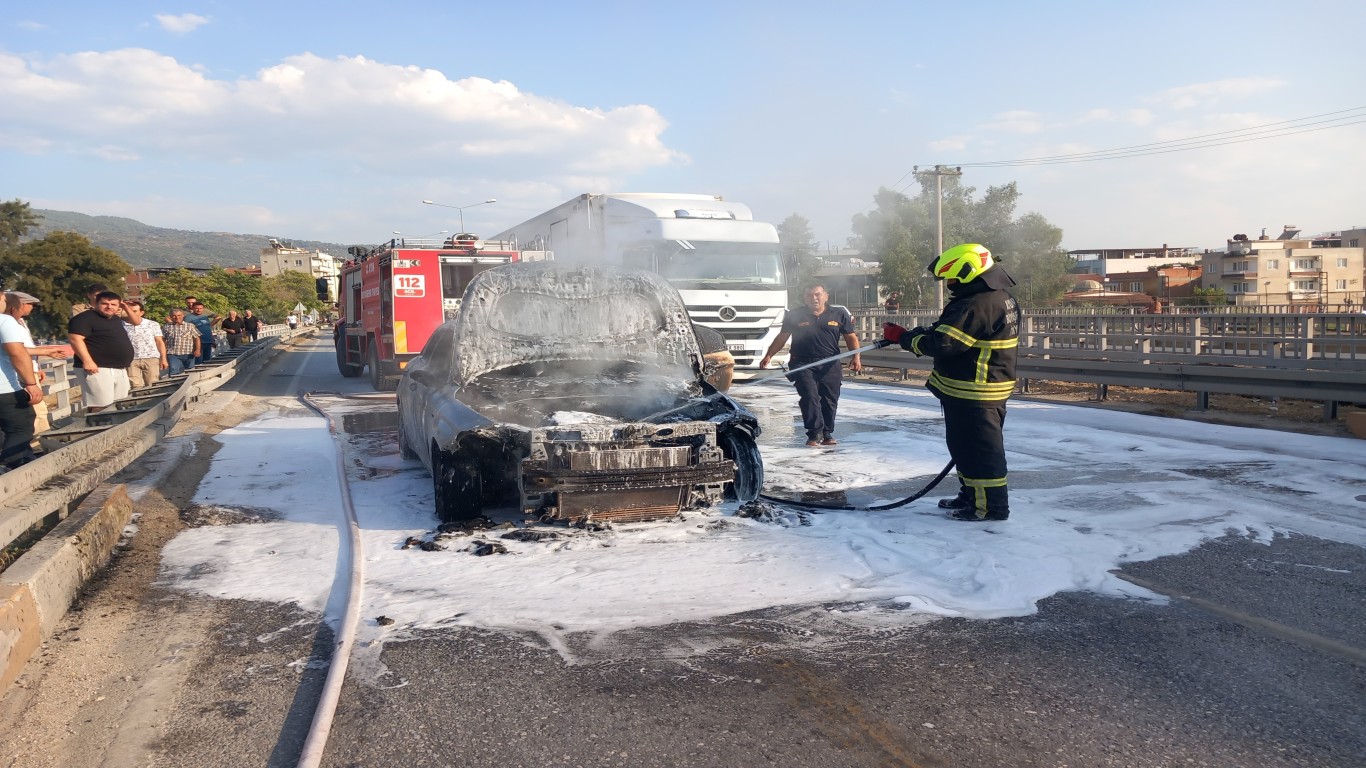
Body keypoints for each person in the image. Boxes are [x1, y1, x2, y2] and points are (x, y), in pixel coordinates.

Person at [882, 243, 1020, 522]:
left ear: (968, 272)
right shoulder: (995, 297)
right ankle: (971, 495)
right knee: (965, 448)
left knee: (981, 452)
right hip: (976, 388)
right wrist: (919, 332)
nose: (950, 284)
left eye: (953, 278)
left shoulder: (977, 303)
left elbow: (944, 344)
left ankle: (989, 508)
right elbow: (951, 332)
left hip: (976, 391)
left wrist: (904, 338)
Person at [758, 284, 862, 447]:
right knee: (810, 397)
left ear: (826, 296)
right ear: (804, 298)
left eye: (817, 294)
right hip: (802, 362)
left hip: (830, 363)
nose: (814, 298)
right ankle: (814, 434)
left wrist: (856, 357)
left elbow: (851, 338)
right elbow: (782, 337)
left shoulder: (839, 314)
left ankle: (827, 433)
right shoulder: (795, 315)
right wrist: (769, 355)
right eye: (809, 295)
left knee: (829, 399)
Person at [3, 291, 67, 441]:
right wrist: (46, 352)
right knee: (36, 413)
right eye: (31, 304)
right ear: (20, 305)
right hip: (20, 375)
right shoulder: (8, 323)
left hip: (28, 371)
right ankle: (36, 446)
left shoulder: (20, 322)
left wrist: (36, 368)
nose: (33, 308)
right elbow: (18, 351)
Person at [68, 290, 135, 414]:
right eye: (105, 303)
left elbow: (136, 321)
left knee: (120, 404)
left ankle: (116, 430)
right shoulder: (84, 319)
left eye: (113, 304)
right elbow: (75, 339)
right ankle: (99, 429)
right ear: (96, 303)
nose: (109, 307)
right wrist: (87, 361)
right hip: (97, 368)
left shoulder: (114, 319)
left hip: (119, 368)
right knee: (101, 406)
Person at [1, 293, 46, 467]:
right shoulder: (4, 321)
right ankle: (7, 468)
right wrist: (31, 383)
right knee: (21, 428)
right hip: (5, 389)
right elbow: (17, 352)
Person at [121, 298, 169, 387]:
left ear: (141, 313)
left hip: (151, 357)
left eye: (135, 311)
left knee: (152, 384)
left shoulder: (152, 324)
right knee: (135, 385)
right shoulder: (121, 324)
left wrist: (163, 358)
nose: (131, 313)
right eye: (129, 311)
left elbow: (159, 342)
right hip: (131, 359)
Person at [162, 309, 201, 375]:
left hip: (188, 353)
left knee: (190, 372)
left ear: (183, 316)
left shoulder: (190, 326)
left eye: (179, 315)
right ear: (170, 317)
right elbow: (163, 340)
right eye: (174, 316)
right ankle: (175, 385)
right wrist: (163, 352)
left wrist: (197, 350)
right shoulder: (166, 327)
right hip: (173, 354)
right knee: (174, 371)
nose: (177, 317)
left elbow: (197, 338)